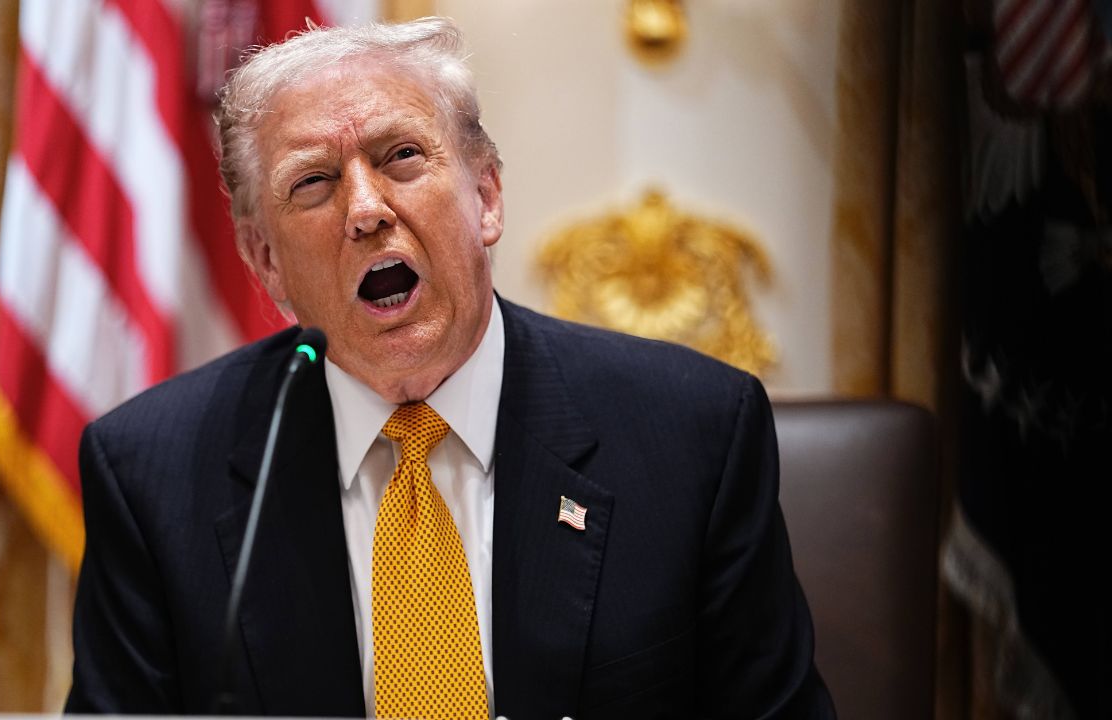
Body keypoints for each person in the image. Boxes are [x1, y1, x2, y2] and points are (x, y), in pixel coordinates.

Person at [65, 17, 834, 719]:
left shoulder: (692, 435)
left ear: (486, 196)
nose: (365, 209)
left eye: (401, 156)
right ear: (266, 261)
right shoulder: (153, 475)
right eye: (314, 182)